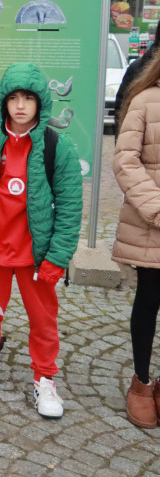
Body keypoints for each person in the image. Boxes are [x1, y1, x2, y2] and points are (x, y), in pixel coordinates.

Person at [0, 62, 81, 419]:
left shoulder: (57, 146)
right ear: (4, 102)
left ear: (40, 103)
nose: (20, 105)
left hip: (35, 256)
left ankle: (45, 379)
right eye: (13, 98)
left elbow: (70, 207)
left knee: (43, 319)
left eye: (28, 98)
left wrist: (58, 256)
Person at [110, 53, 160, 427]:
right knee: (149, 299)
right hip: (151, 225)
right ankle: (141, 382)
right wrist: (156, 208)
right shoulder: (144, 101)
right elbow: (126, 159)